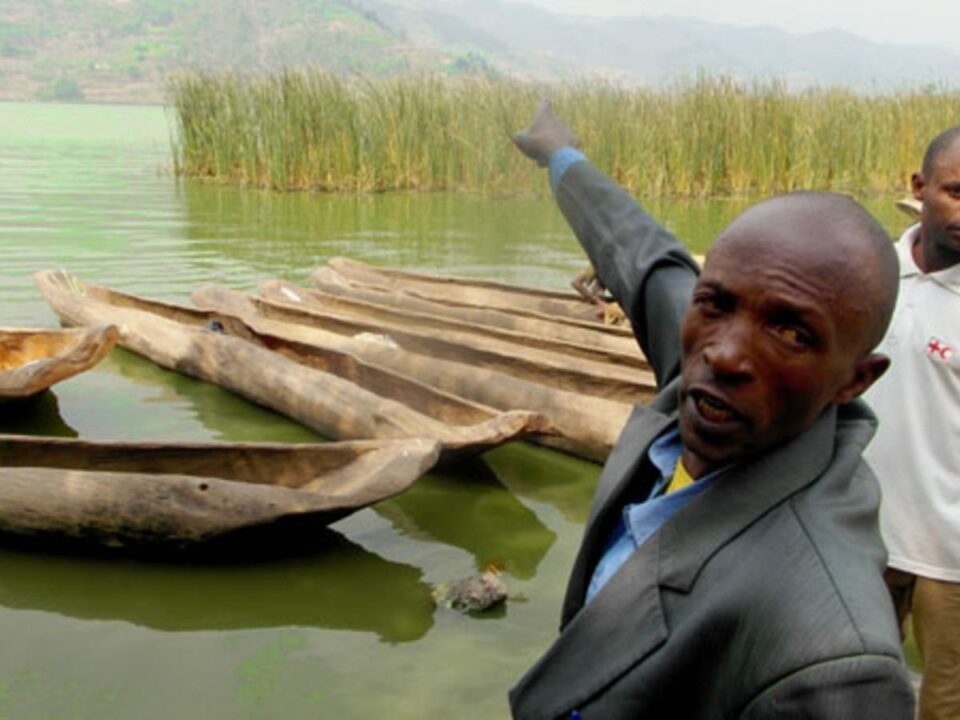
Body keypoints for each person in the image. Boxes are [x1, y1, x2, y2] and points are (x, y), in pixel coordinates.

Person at [507, 100, 915, 719]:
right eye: (715, 303)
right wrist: (561, 155)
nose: (724, 355)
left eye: (793, 333)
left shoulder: (832, 656)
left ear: (854, 381)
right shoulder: (718, 383)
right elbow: (641, 256)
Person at [862, 126, 960, 720]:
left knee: (945, 701)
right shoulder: (866, 277)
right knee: (853, 685)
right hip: (859, 535)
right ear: (919, 187)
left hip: (951, 554)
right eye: (956, 191)